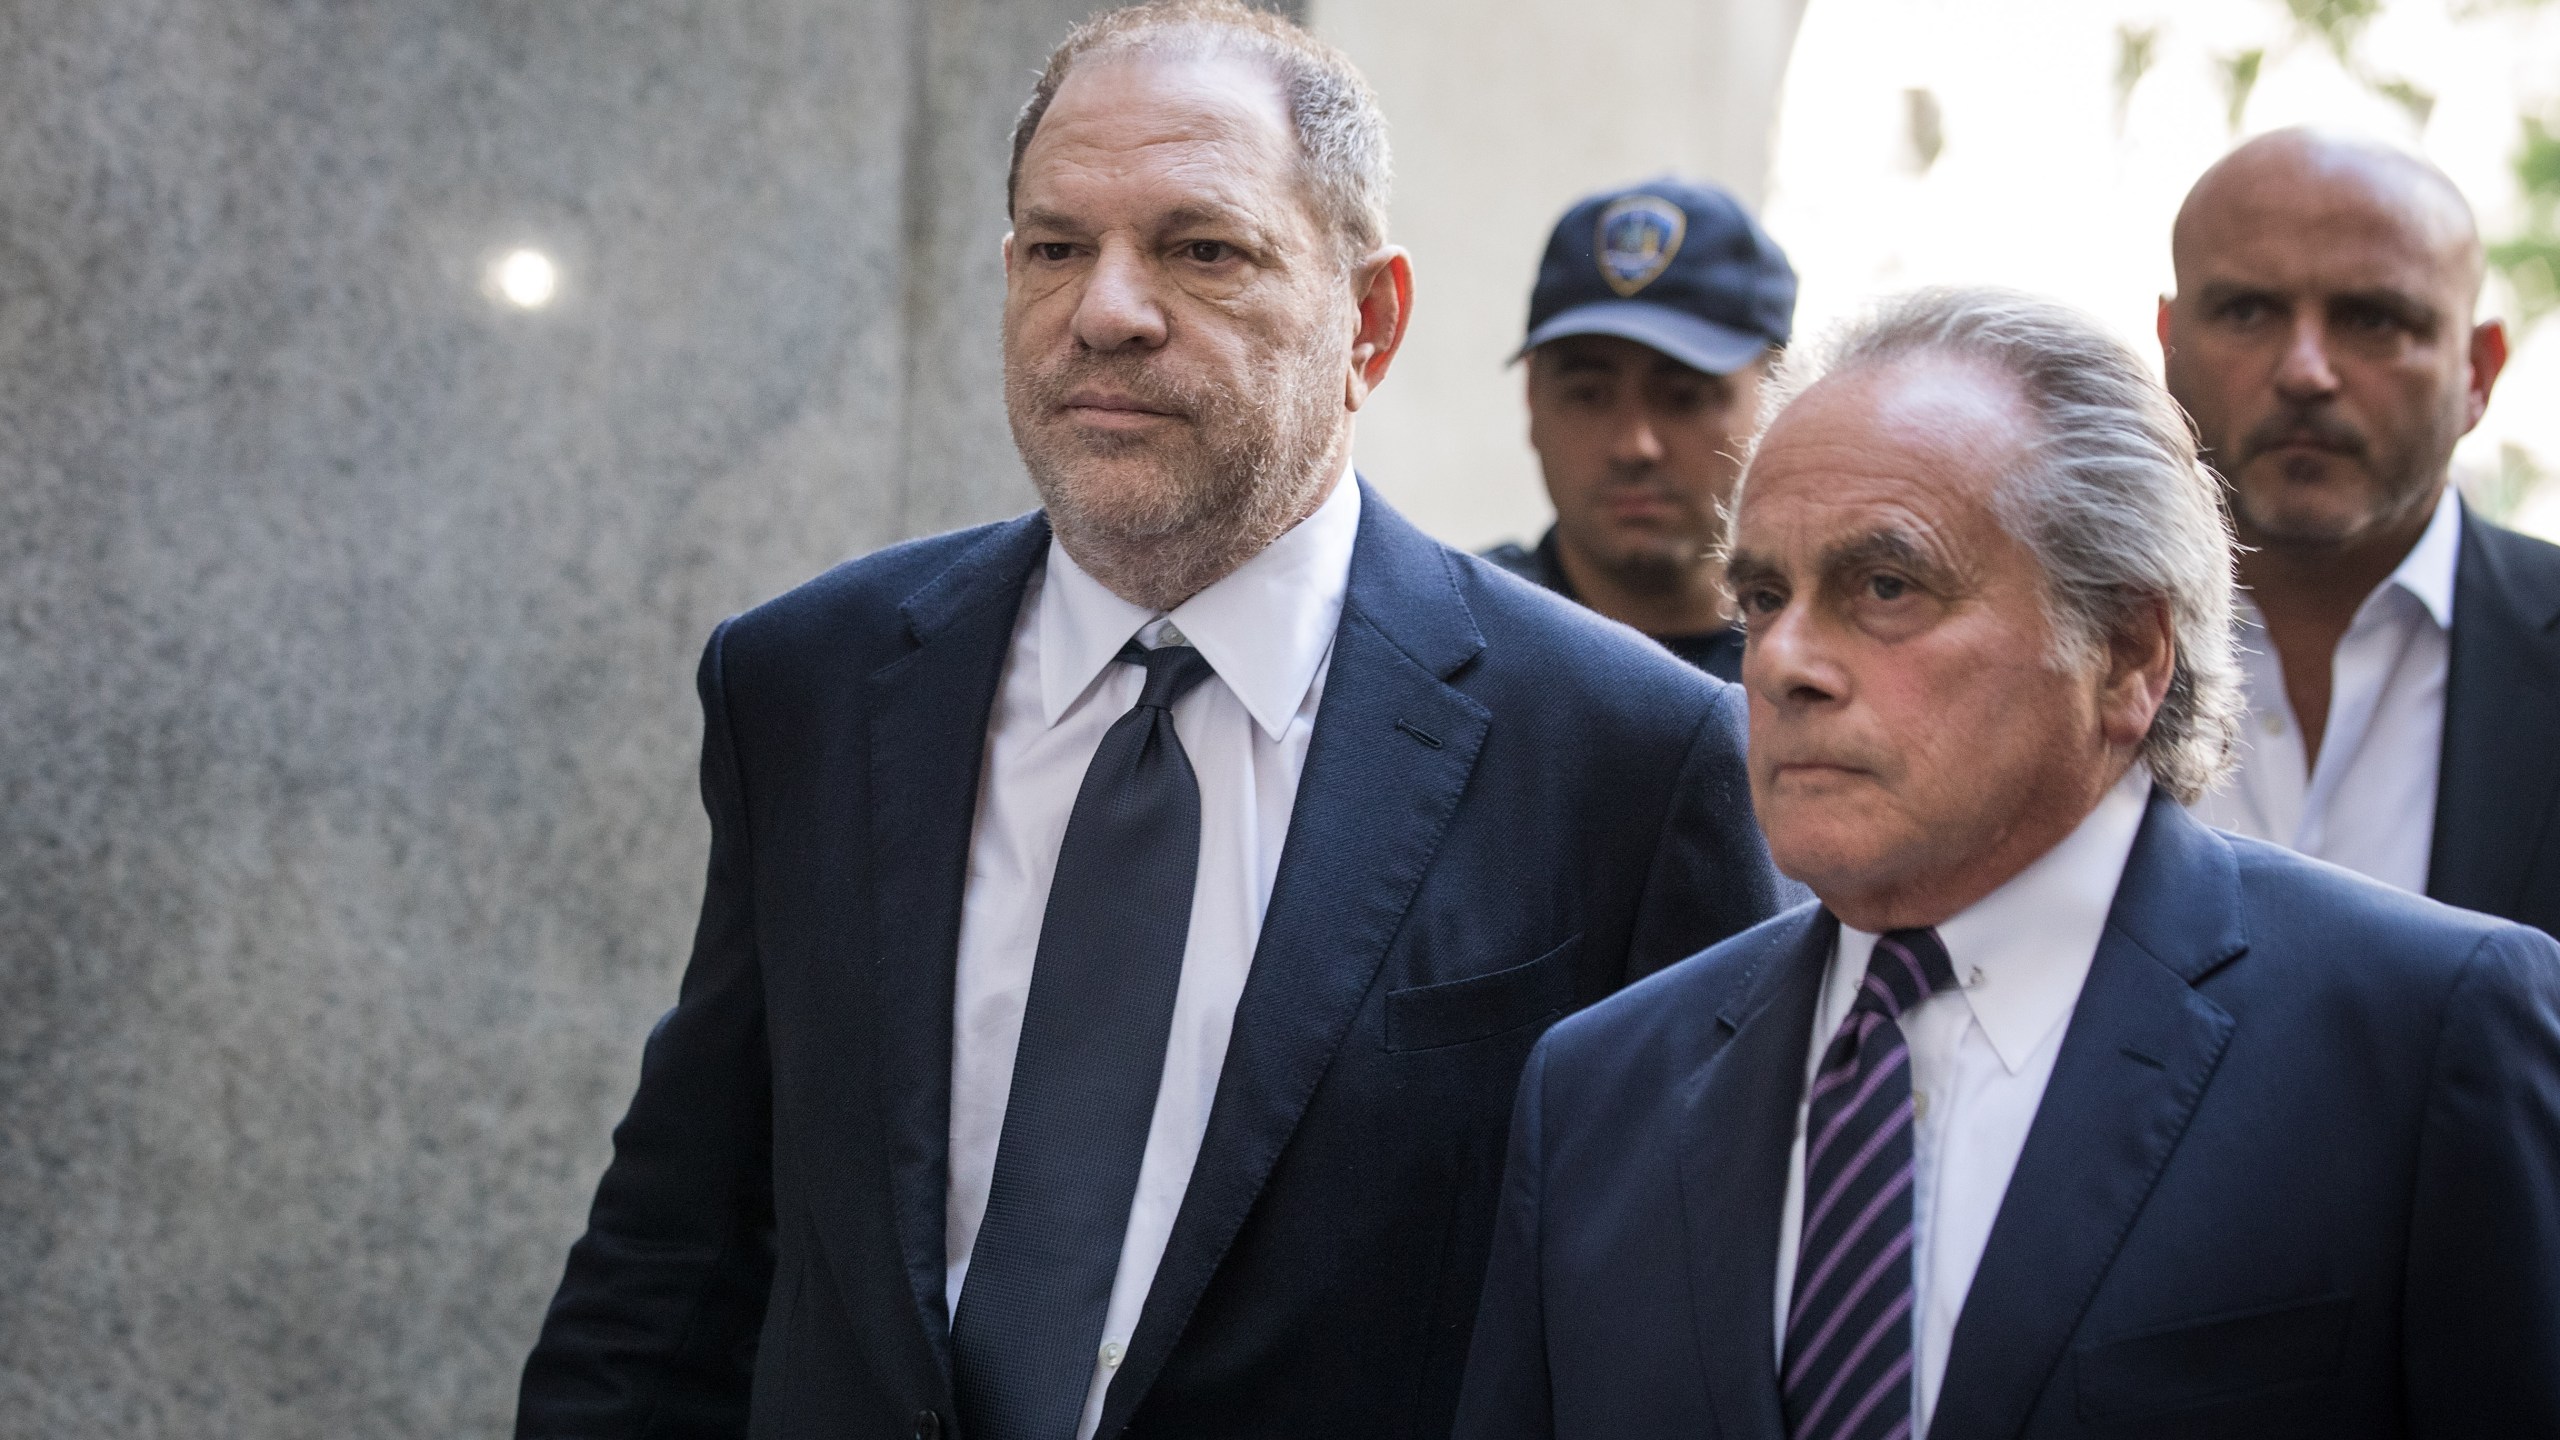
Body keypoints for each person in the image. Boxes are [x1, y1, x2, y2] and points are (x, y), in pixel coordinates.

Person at [513, 4, 1785, 1439]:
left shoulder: (1636, 759)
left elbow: (1682, 1346)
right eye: (1058, 249)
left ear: (1369, 321)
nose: (1108, 309)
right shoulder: (811, 681)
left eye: (1202, 249)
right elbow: (676, 1256)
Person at [1456, 288, 2560, 1440]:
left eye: (1884, 587)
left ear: (2128, 653)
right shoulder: (1599, 1089)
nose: (1782, 662)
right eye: (1763, 598)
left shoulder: (2419, 1035)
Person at [2163, 128, 2560, 936]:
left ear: (2478, 373)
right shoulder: (2050, 651)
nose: (2306, 370)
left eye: (2373, 320)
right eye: (2247, 311)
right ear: (2169, 345)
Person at [1481, 179, 1796, 680]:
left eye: (1684, 397)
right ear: (1532, 401)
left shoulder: (1828, 670)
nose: (1634, 446)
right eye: (1588, 395)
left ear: (1778, 402)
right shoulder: (1444, 649)